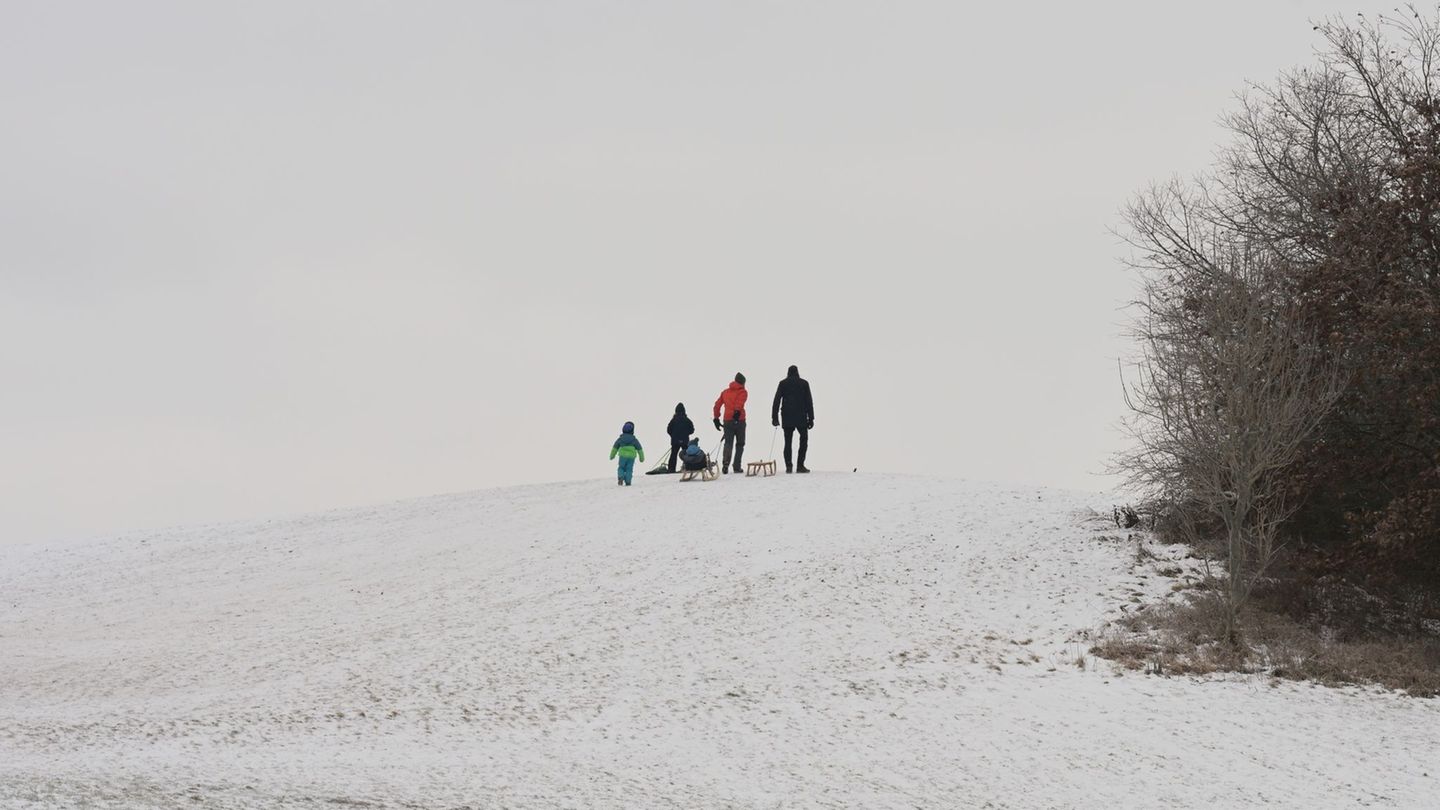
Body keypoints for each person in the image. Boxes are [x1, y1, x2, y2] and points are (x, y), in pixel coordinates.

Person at [771, 364, 815, 473]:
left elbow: (776, 401)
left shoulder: (783, 384)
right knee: (803, 440)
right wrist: (811, 418)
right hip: (801, 416)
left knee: (788, 442)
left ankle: (789, 466)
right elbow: (809, 402)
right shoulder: (804, 383)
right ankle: (800, 465)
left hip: (787, 416)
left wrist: (774, 418)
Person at [712, 372, 748, 474]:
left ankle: (725, 464)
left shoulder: (725, 392)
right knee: (740, 443)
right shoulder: (743, 392)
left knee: (728, 443)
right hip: (740, 420)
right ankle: (736, 466)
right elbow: (740, 403)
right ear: (743, 382)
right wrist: (736, 413)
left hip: (727, 421)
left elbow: (717, 405)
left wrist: (716, 418)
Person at [609, 421, 645, 486]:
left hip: (622, 456)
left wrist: (612, 456)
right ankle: (628, 481)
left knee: (621, 468)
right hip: (631, 457)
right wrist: (641, 458)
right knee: (629, 469)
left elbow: (615, 447)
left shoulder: (620, 439)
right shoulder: (634, 440)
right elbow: (640, 449)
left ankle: (621, 477)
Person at [665, 403, 695, 473]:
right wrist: (686, 434)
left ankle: (671, 469)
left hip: (675, 441)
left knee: (673, 454)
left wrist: (673, 436)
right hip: (685, 440)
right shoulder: (687, 420)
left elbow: (668, 430)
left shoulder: (673, 420)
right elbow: (692, 430)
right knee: (686, 454)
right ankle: (687, 467)